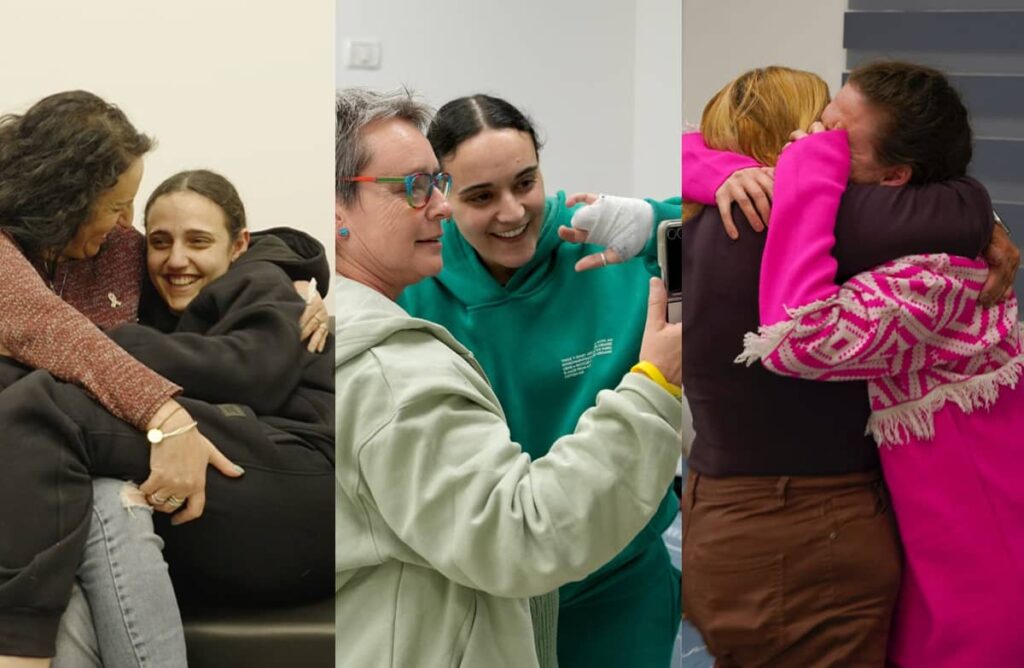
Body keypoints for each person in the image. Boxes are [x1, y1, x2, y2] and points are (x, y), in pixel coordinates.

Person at [671, 65, 1016, 666]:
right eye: (815, 129)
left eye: (830, 139)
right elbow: (957, 205)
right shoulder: (817, 220)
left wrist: (715, 168)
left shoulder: (709, 220)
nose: (811, 142)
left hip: (730, 515)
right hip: (817, 529)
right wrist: (984, 216)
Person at [334, 88, 683, 668]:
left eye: (526, 182)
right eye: (479, 196)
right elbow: (511, 531)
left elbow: (741, 244)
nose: (513, 212)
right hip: (494, 578)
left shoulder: (602, 240)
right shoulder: (413, 279)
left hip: (615, 576)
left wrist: (657, 223)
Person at [0, 91, 327, 665]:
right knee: (98, 494)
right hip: (49, 469)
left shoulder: (132, 254)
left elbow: (242, 267)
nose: (125, 225)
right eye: (115, 207)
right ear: (66, 199)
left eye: (131, 208)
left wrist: (292, 273)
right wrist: (161, 413)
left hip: (285, 460)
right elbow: (47, 327)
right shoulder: (32, 258)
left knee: (56, 422)